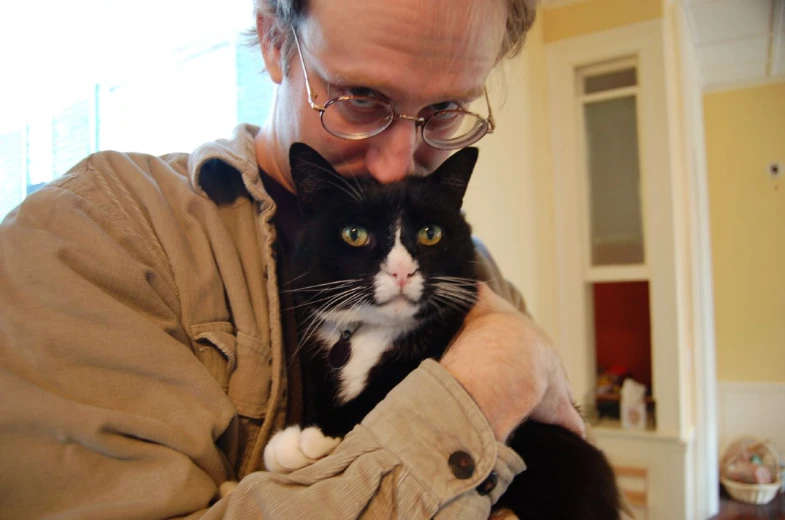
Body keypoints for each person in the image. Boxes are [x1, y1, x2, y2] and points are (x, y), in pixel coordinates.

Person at [0, 0, 585, 518]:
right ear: (277, 44)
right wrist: (487, 383)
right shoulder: (99, 232)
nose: (397, 164)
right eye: (361, 98)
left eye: (444, 112)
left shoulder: (481, 275)